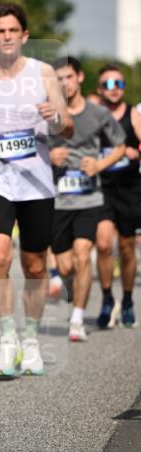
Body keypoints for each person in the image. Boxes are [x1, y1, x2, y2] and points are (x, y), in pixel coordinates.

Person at [0, 2, 73, 378]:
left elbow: (68, 126)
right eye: (0, 31)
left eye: (14, 30)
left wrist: (55, 118)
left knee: (35, 264)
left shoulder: (44, 74)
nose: (7, 37)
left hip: (36, 180)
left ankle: (31, 340)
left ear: (24, 35)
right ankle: (7, 338)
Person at [49, 57, 125, 341]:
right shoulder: (48, 115)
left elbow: (120, 146)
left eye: (68, 77)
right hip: (58, 201)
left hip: (89, 199)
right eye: (58, 79)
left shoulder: (97, 113)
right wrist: (49, 156)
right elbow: (32, 149)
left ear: (79, 77)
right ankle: (71, 287)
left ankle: (77, 320)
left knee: (84, 256)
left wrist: (98, 165)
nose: (64, 83)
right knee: (66, 265)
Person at [95, 64, 141, 329]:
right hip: (102, 188)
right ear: (100, 89)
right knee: (102, 244)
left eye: (119, 84)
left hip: (130, 188)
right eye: (108, 85)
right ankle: (106, 298)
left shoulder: (133, 113)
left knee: (126, 247)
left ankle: (127, 299)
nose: (114, 89)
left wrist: (135, 152)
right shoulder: (94, 115)